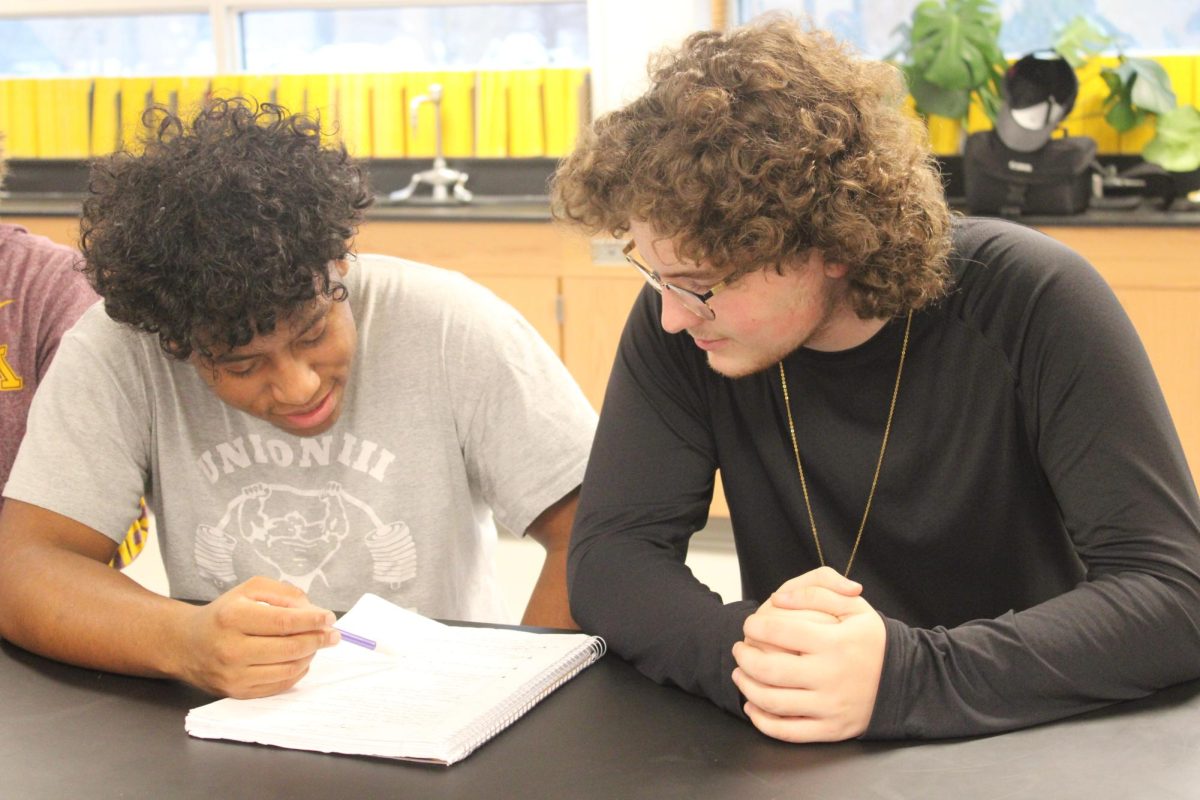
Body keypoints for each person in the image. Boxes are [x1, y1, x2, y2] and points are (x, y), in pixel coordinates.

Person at [551, 17, 1200, 742]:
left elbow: (1175, 594)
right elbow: (612, 560)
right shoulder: (683, 326)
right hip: (809, 748)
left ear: (830, 245)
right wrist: (756, 657)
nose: (671, 315)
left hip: (1028, 730)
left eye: (699, 282)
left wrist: (905, 678)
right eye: (653, 273)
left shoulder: (1033, 299)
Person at [0, 99, 596, 700]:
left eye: (313, 333)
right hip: (232, 718)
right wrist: (185, 640)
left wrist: (519, 695)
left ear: (338, 265)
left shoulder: (452, 325)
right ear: (173, 343)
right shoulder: (118, 348)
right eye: (241, 364)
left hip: (441, 709)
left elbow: (593, 534)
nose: (299, 386)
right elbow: (26, 566)